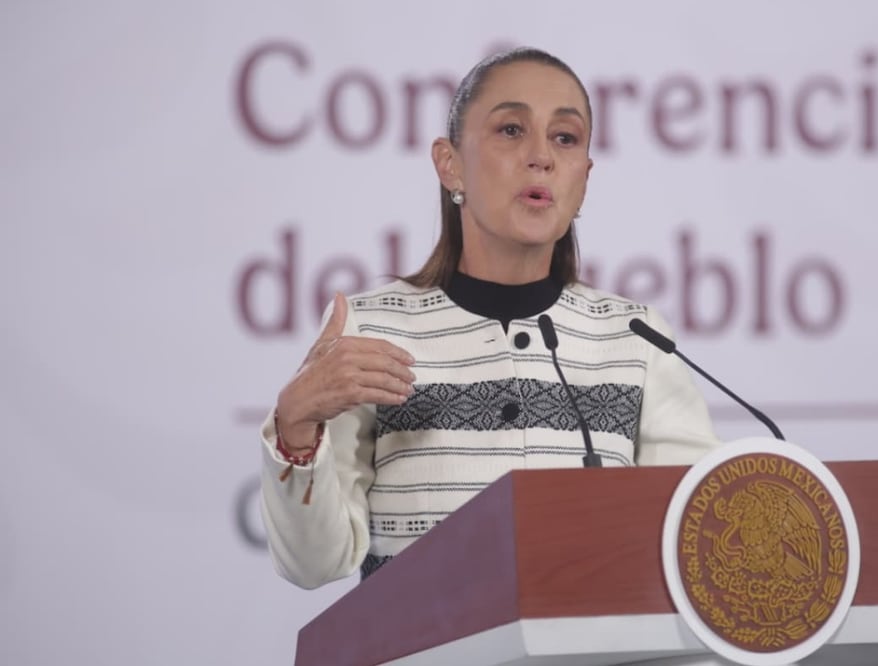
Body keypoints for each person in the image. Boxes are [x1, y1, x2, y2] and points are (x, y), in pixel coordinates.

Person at [259, 47, 722, 590]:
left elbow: (704, 538)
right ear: (449, 163)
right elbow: (314, 565)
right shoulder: (370, 331)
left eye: (565, 138)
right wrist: (295, 426)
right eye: (510, 130)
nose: (541, 157)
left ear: (584, 177)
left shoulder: (636, 340)